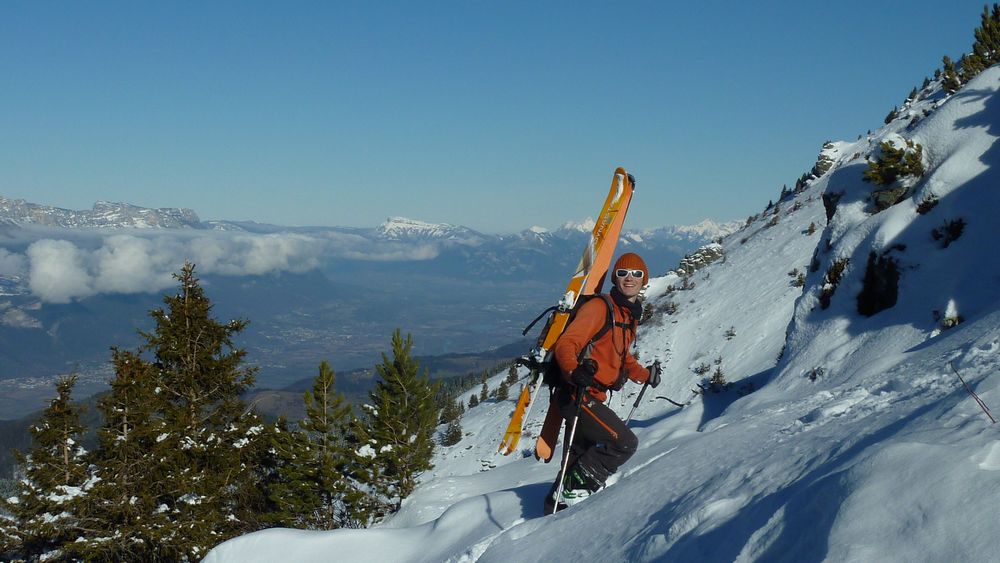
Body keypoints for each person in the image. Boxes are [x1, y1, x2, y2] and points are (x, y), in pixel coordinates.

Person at [544, 252, 662, 514]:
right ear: (614, 278)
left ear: (644, 280)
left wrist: (645, 375)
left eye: (636, 274)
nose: (629, 278)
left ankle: (554, 513)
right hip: (577, 393)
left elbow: (622, 357)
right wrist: (575, 371)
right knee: (624, 443)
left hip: (592, 395)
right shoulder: (600, 308)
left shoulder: (628, 316)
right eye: (622, 273)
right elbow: (567, 344)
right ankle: (573, 496)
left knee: (576, 462)